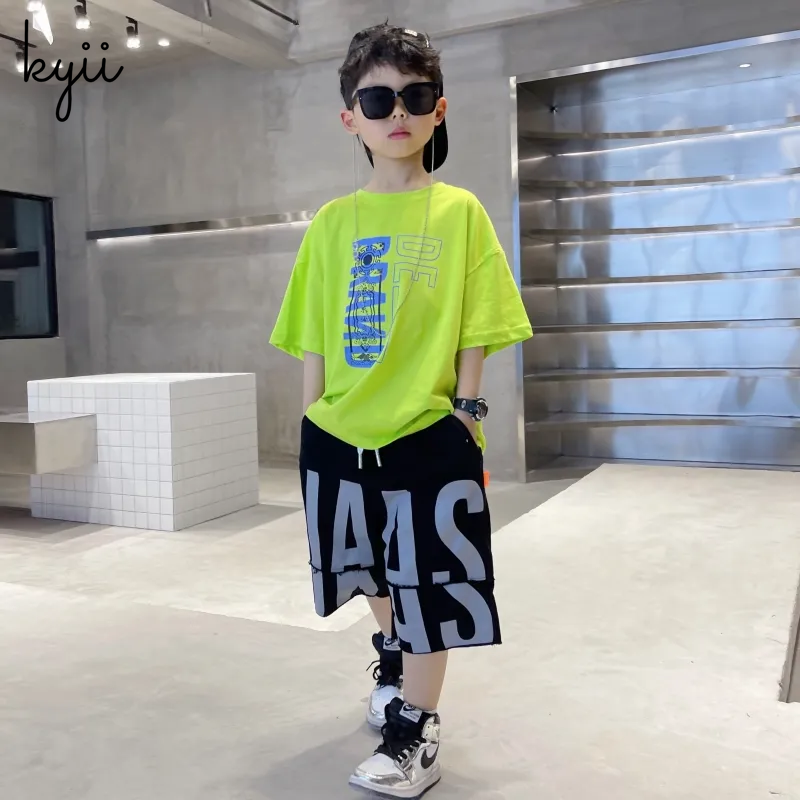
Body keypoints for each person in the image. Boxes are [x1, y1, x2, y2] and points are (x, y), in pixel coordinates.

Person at [270, 22, 533, 798]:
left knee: (429, 589)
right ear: (350, 116)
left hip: (428, 432)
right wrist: (311, 422)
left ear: (438, 109)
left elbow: (479, 324)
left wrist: (468, 413)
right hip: (339, 434)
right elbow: (312, 334)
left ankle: (416, 733)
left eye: (415, 97)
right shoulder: (332, 223)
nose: (397, 113)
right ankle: (392, 659)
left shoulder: (459, 212)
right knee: (369, 571)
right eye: (377, 99)